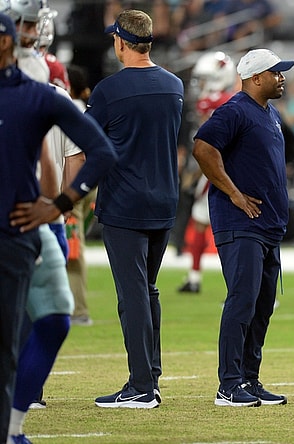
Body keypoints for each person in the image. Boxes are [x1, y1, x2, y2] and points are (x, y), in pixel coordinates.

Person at [0, 10, 117, 442]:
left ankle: (12, 429)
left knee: (48, 322)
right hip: (23, 226)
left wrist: (60, 204)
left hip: (22, 227)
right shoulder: (40, 94)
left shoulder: (40, 96)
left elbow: (98, 153)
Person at [88, 9, 184, 409]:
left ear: (120, 42)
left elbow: (87, 146)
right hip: (164, 201)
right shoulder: (174, 85)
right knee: (147, 290)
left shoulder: (108, 91)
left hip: (125, 204)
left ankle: (142, 386)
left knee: (133, 295)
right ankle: (151, 377)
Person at [192, 48, 294, 407]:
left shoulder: (269, 113)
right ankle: (229, 383)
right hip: (241, 223)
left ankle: (249, 379)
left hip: (266, 225)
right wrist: (234, 193)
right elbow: (203, 147)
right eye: (276, 72)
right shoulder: (235, 109)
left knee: (262, 305)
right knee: (242, 300)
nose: (282, 78)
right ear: (256, 78)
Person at [178, 50, 238, 294]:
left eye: (205, 78)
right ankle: (194, 277)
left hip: (220, 170)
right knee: (203, 220)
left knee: (221, 226)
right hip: (224, 167)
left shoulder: (216, 101)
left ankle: (199, 278)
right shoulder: (232, 99)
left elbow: (206, 140)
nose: (201, 84)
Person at [65, 64, 95, 326]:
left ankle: (78, 311)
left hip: (72, 185)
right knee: (73, 244)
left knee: (72, 246)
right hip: (90, 185)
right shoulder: (87, 108)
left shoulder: (66, 106)